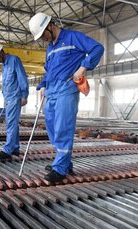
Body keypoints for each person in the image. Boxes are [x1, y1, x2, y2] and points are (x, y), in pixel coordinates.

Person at [28, 13, 104, 182]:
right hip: (51, 91)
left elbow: (98, 48)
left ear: (50, 26)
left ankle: (60, 168)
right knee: (52, 128)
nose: (43, 39)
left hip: (66, 90)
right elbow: (50, 70)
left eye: (43, 35)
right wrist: (43, 85)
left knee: (63, 127)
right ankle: (64, 161)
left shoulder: (73, 37)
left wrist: (82, 68)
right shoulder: (50, 48)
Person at [0, 41, 29, 160]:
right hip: (9, 98)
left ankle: (8, 150)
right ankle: (15, 148)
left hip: (16, 97)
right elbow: (6, 83)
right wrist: (5, 97)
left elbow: (22, 77)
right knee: (13, 123)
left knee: (11, 123)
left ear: (1, 52)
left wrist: (24, 95)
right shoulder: (4, 65)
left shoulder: (14, 60)